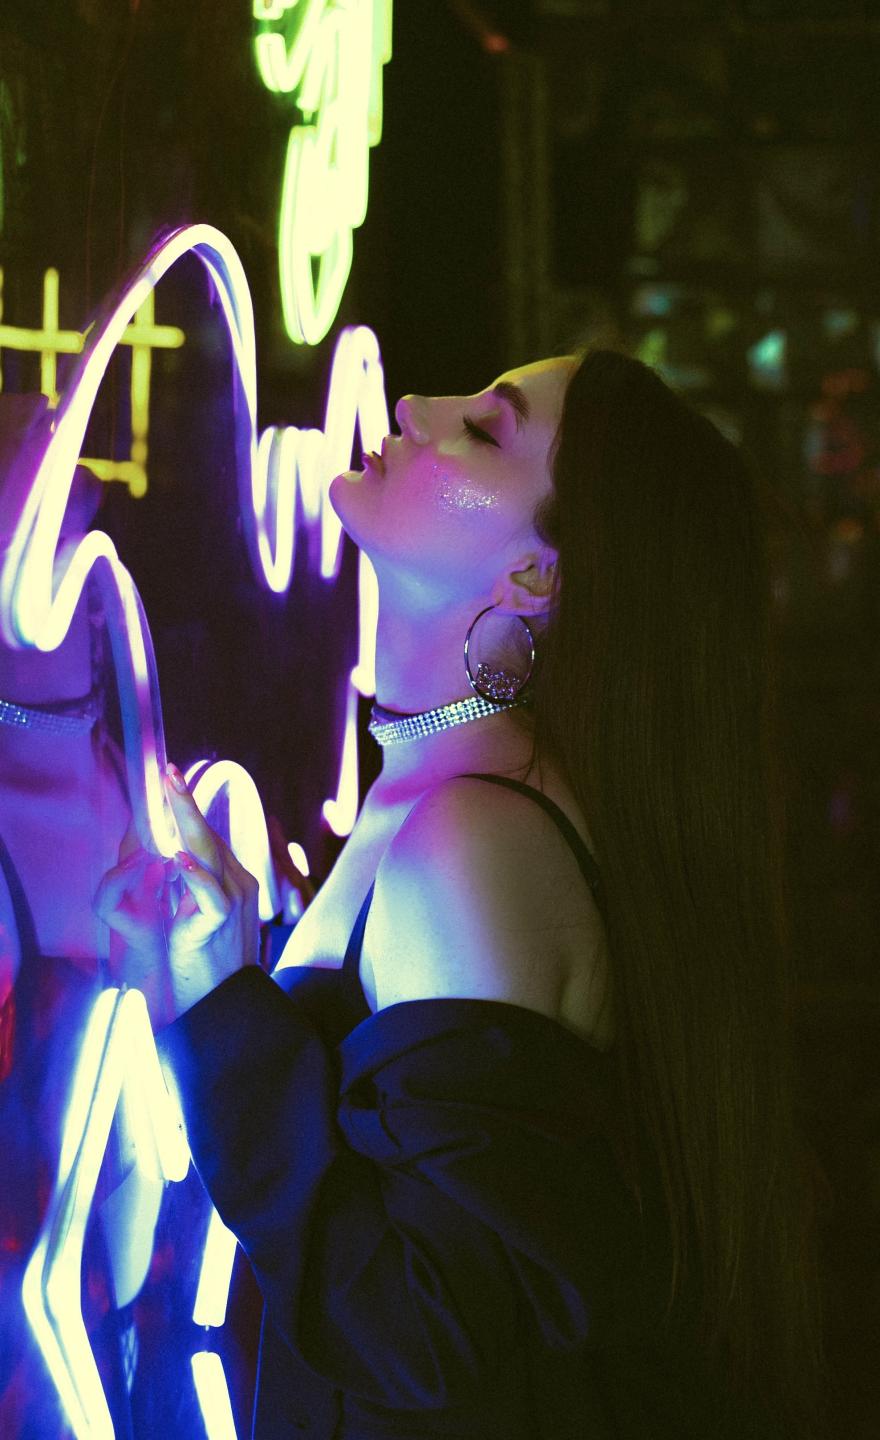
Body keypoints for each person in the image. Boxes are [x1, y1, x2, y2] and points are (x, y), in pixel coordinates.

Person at [95, 347, 830, 1439]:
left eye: (484, 430)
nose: (412, 405)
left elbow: (422, 1330)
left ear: (536, 579)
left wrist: (221, 1013)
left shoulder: (468, 836)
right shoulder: (438, 798)